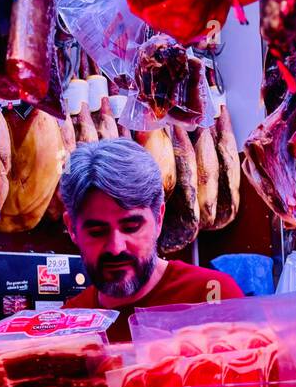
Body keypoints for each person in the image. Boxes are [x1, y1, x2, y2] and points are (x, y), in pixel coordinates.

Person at [61, 138, 244, 342]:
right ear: (72, 229)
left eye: (131, 227)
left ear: (158, 219)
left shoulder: (213, 295)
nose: (115, 247)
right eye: (97, 231)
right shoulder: (69, 322)